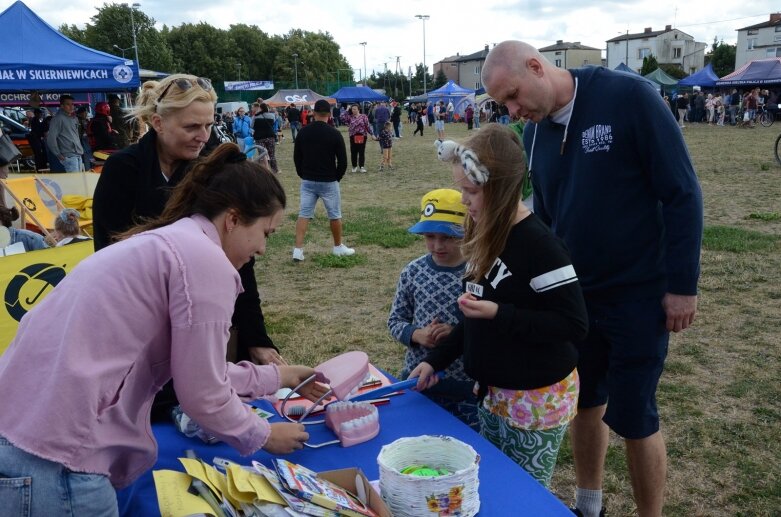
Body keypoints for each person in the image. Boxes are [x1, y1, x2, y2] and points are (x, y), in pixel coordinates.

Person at [0, 144, 330, 515]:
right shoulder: (204, 261)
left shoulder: (170, 242)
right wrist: (263, 435)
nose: (264, 250)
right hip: (59, 455)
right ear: (233, 219)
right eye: (266, 233)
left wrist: (276, 376)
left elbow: (196, 370)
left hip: (23, 432)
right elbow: (202, 393)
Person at [482, 41, 703, 516]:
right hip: (576, 299)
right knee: (586, 400)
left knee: (635, 415)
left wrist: (683, 286)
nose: (514, 110)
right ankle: (589, 504)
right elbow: (540, 217)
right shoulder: (535, 134)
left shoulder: (630, 98)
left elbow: (682, 193)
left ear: (538, 67)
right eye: (505, 104)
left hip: (638, 294)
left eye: (515, 96)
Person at [92, 74, 285, 420]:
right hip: (139, 323)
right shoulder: (123, 169)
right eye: (192, 126)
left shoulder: (209, 169)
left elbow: (239, 260)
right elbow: (109, 256)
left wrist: (256, 336)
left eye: (209, 125)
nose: (203, 136)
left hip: (199, 316)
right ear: (158, 123)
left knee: (203, 404)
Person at [409, 124, 588, 487]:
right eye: (462, 189)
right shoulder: (482, 231)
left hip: (533, 402)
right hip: (493, 394)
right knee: (491, 486)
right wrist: (435, 359)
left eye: (471, 191)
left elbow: (573, 325)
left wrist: (500, 313)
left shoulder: (541, 247)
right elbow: (474, 314)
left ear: (503, 190)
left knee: (522, 494)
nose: (463, 200)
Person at [388, 188, 478, 429]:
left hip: (465, 387)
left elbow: (486, 327)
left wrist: (456, 334)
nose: (437, 245)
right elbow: (395, 320)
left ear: (468, 232)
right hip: (418, 381)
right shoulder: (413, 271)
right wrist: (417, 334)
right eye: (430, 236)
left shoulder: (478, 273)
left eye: (448, 237)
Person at [292, 99, 354, 261]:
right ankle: (337, 246)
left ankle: (297, 250)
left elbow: (297, 158)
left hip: (308, 180)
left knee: (304, 214)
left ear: (313, 113)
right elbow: (343, 162)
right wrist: (336, 177)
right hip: (328, 181)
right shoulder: (334, 133)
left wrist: (303, 174)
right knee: (334, 215)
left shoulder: (303, 132)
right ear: (329, 114)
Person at [45, 95, 84, 172]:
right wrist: (58, 154)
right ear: (62, 106)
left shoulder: (74, 118)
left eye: (72, 104)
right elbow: (51, 138)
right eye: (68, 104)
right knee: (74, 182)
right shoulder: (57, 119)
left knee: (78, 182)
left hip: (77, 154)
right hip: (68, 155)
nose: (71, 106)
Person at [340, 104, 372, 173]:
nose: (353, 110)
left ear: (358, 109)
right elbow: (342, 117)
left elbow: (368, 126)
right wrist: (347, 110)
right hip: (353, 136)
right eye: (352, 109)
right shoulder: (350, 117)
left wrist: (372, 134)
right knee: (353, 152)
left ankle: (361, 167)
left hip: (362, 136)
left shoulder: (363, 116)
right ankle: (354, 166)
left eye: (355, 109)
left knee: (361, 152)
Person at [252, 103, 279, 173]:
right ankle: (274, 169)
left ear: (260, 108)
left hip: (259, 137)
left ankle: (264, 170)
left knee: (262, 154)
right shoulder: (272, 115)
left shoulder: (255, 116)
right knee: (272, 154)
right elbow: (273, 123)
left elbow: (252, 126)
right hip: (270, 136)